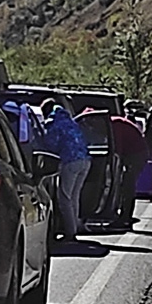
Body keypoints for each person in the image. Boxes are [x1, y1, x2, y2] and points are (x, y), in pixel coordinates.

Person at [41, 100, 92, 242]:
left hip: (70, 161)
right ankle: (76, 225)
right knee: (74, 196)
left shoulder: (54, 123)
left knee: (64, 198)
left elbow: (50, 144)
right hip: (85, 160)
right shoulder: (71, 122)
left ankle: (70, 232)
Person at [110, 113, 149, 229]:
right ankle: (123, 215)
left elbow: (117, 147)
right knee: (126, 184)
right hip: (133, 154)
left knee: (128, 185)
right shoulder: (114, 122)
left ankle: (125, 217)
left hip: (136, 155)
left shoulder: (115, 125)